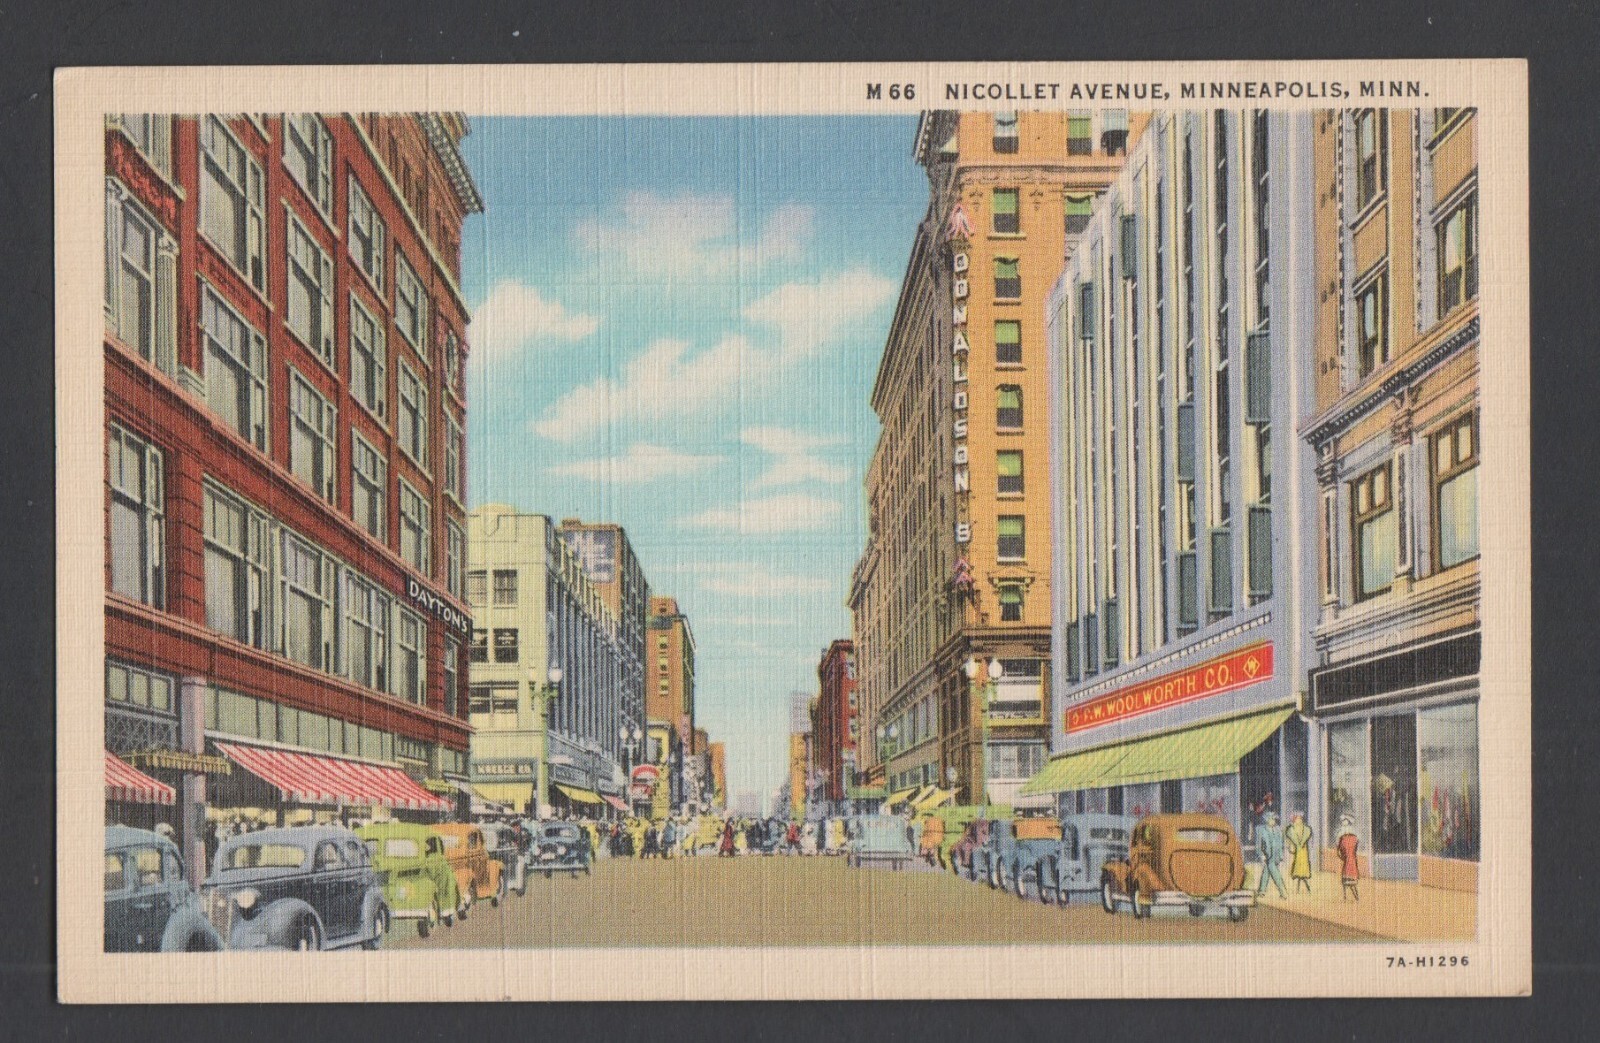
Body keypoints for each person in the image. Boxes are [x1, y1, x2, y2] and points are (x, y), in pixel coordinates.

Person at [1255, 810, 1287, 899]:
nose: (1273, 821)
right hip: (1268, 856)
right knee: (1275, 873)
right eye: (1271, 819)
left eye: (1274, 819)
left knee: (1266, 871)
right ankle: (1283, 892)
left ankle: (1261, 891)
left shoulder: (1278, 829)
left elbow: (1281, 843)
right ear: (1267, 820)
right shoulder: (1260, 830)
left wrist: (1281, 855)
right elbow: (1258, 845)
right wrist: (1261, 854)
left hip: (1276, 856)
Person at [1286, 812, 1314, 894]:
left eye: (1300, 819)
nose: (1298, 821)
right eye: (1297, 819)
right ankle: (1301, 884)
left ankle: (1305, 883)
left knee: (1303, 865)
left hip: (1304, 851)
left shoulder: (1306, 829)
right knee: (1297, 866)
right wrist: (1290, 847)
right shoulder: (1292, 829)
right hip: (1297, 851)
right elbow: (1290, 840)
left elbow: (1308, 836)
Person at [1336, 814, 1361, 901]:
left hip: (1349, 861)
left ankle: (1350, 897)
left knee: (1348, 880)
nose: (1343, 822)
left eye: (1345, 820)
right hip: (1351, 861)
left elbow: (1339, 850)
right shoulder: (1349, 837)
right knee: (1350, 881)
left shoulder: (1346, 837)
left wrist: (1343, 856)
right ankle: (1351, 897)